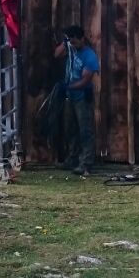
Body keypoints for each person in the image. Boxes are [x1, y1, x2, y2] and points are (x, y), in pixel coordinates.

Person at [53, 25, 100, 176]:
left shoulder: (89, 56)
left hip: (82, 98)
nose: (73, 45)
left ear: (82, 39)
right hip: (70, 98)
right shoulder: (71, 50)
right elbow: (57, 55)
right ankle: (71, 159)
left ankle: (86, 163)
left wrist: (68, 86)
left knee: (85, 131)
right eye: (71, 42)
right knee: (70, 130)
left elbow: (85, 80)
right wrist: (65, 42)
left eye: (75, 42)